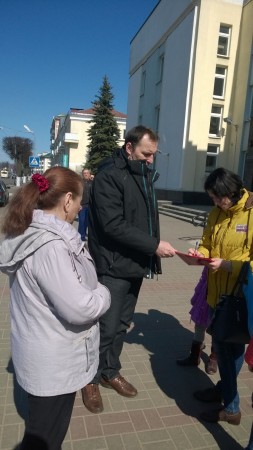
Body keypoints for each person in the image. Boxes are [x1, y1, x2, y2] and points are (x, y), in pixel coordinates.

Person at [0, 167, 111, 450]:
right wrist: (104, 293)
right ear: (67, 200)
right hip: (54, 364)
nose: (81, 208)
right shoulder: (51, 246)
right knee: (44, 439)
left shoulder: (31, 231)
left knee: (44, 433)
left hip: (43, 354)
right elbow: (80, 307)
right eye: (80, 201)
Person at [82, 125, 176, 414]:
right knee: (106, 327)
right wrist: (154, 245)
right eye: (146, 154)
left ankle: (110, 371)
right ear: (129, 147)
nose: (150, 160)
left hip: (134, 263)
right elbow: (112, 225)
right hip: (112, 265)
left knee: (121, 324)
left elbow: (144, 219)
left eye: (154, 155)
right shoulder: (110, 174)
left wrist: (150, 250)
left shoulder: (142, 173)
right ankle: (90, 380)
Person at [190, 167, 253, 425]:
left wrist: (228, 265)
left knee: (229, 353)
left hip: (240, 299)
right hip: (217, 294)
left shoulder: (250, 215)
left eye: (218, 198)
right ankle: (224, 390)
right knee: (229, 351)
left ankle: (231, 407)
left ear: (232, 192)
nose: (215, 203)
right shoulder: (216, 213)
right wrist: (200, 252)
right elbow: (207, 240)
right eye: (212, 199)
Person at [176, 267, 218, 374]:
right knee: (199, 325)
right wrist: (196, 295)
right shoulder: (210, 259)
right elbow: (203, 277)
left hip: (221, 298)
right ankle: (194, 356)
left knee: (216, 329)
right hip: (205, 297)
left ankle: (214, 358)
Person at [78, 167, 93, 241]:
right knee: (81, 221)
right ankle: (81, 237)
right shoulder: (80, 183)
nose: (86, 174)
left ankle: (83, 235)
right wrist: (78, 204)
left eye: (87, 173)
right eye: (84, 173)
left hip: (90, 206)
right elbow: (77, 194)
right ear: (82, 174)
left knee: (87, 222)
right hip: (82, 206)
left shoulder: (92, 182)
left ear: (90, 174)